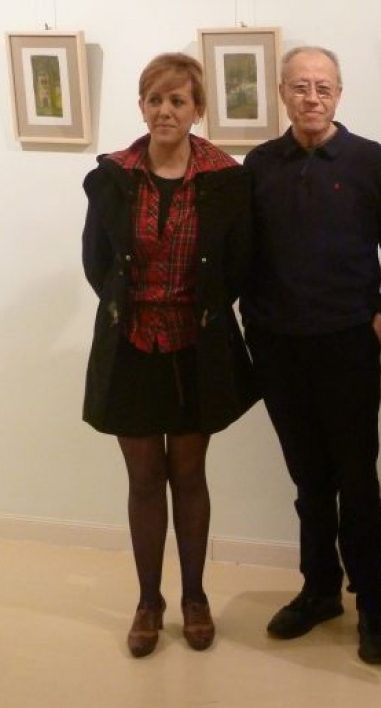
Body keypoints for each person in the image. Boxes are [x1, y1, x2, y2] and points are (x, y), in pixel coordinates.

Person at [240, 45, 381, 665]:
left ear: (339, 93)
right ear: (281, 95)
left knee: (356, 480)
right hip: (279, 350)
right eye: (299, 87)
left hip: (348, 346)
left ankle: (372, 603)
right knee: (308, 482)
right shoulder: (259, 165)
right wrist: (254, 328)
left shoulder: (370, 162)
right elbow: (243, 258)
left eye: (323, 87)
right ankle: (319, 592)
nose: (311, 98)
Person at [80, 52, 260, 658]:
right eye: (155, 99)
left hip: (195, 346)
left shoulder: (227, 180)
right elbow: (96, 264)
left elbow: (238, 266)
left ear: (197, 110)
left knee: (189, 474)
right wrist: (139, 305)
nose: (165, 111)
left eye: (177, 100)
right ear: (141, 106)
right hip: (130, 344)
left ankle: (194, 597)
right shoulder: (111, 177)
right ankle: (148, 601)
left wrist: (190, 304)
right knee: (143, 479)